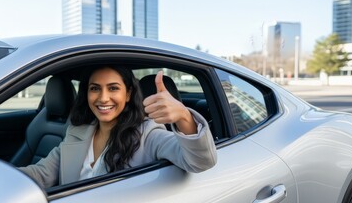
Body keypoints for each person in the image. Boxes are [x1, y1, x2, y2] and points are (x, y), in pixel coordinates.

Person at [18, 65, 217, 188]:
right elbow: (41, 174)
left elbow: (201, 161)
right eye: (95, 89)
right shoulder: (76, 131)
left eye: (113, 88)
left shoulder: (148, 133)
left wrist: (183, 115)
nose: (103, 98)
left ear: (128, 94)